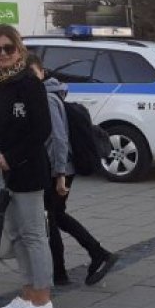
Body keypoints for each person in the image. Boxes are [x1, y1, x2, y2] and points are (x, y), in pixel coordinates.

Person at [0, 25, 54, 308]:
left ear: (19, 49)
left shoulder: (29, 83)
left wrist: (12, 157)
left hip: (25, 168)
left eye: (8, 48)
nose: (3, 54)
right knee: (13, 232)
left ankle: (41, 297)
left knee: (32, 232)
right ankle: (27, 290)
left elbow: (42, 129)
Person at [28, 54, 118, 286]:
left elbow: (59, 138)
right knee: (55, 216)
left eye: (32, 73)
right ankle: (92, 256)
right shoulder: (48, 94)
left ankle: (69, 268)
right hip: (57, 167)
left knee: (50, 216)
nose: (29, 78)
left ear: (42, 72)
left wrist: (59, 174)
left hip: (58, 168)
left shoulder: (47, 98)